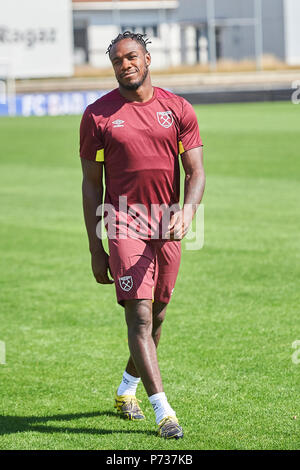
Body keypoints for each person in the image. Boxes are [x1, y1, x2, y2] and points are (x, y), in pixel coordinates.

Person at [79, 31, 205, 439]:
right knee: (140, 314)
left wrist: (187, 211)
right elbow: (90, 185)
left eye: (131, 57)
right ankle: (164, 411)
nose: (124, 65)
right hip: (123, 225)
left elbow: (197, 172)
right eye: (117, 60)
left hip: (166, 225)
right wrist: (96, 248)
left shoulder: (178, 108)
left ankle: (126, 389)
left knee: (159, 318)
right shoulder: (97, 115)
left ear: (147, 59)